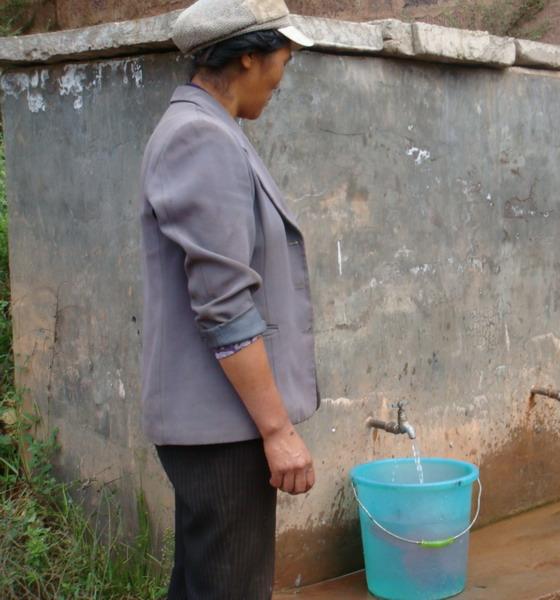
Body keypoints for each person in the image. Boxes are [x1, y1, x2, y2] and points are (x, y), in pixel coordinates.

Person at [138, 1, 319, 597]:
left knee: (202, 586)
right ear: (248, 56)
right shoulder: (200, 137)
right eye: (283, 61)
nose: (282, 78)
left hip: (214, 427)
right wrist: (277, 431)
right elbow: (223, 305)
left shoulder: (211, 129)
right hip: (222, 430)